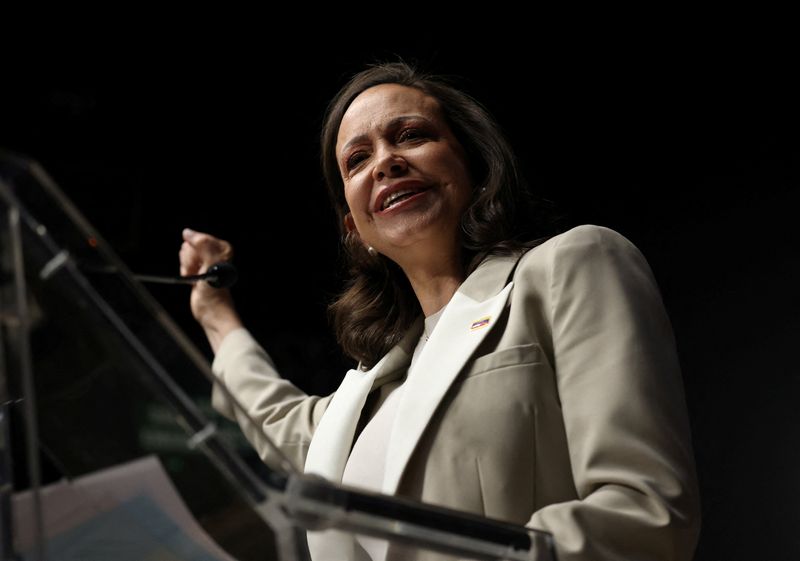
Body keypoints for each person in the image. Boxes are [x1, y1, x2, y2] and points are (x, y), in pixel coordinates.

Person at [179, 61, 701, 561]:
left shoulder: (569, 265)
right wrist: (215, 314)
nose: (385, 161)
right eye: (357, 159)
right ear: (354, 229)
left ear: (472, 164)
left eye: (410, 135)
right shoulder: (366, 395)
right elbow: (273, 417)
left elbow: (645, 511)